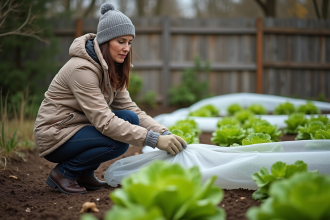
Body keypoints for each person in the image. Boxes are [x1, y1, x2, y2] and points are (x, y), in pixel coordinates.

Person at [33, 3, 187, 195]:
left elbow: (133, 110)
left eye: (130, 42)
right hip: (55, 134)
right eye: (121, 41)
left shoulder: (111, 67)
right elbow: (104, 122)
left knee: (129, 117)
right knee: (118, 142)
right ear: (106, 41)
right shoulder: (82, 69)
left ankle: (84, 173)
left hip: (77, 129)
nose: (126, 48)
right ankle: (64, 173)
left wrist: (163, 133)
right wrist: (153, 140)